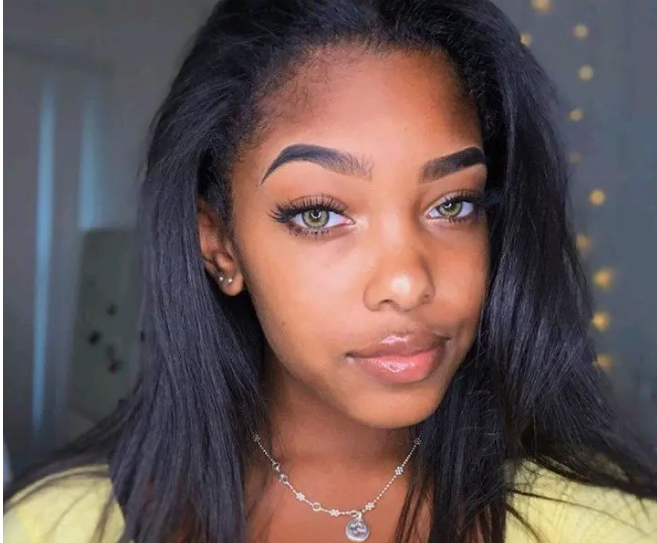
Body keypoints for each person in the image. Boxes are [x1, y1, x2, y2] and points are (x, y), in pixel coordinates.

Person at [4, 1, 657, 542]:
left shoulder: (608, 524)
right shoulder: (56, 524)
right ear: (220, 245)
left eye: (453, 204)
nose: (407, 282)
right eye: (319, 214)